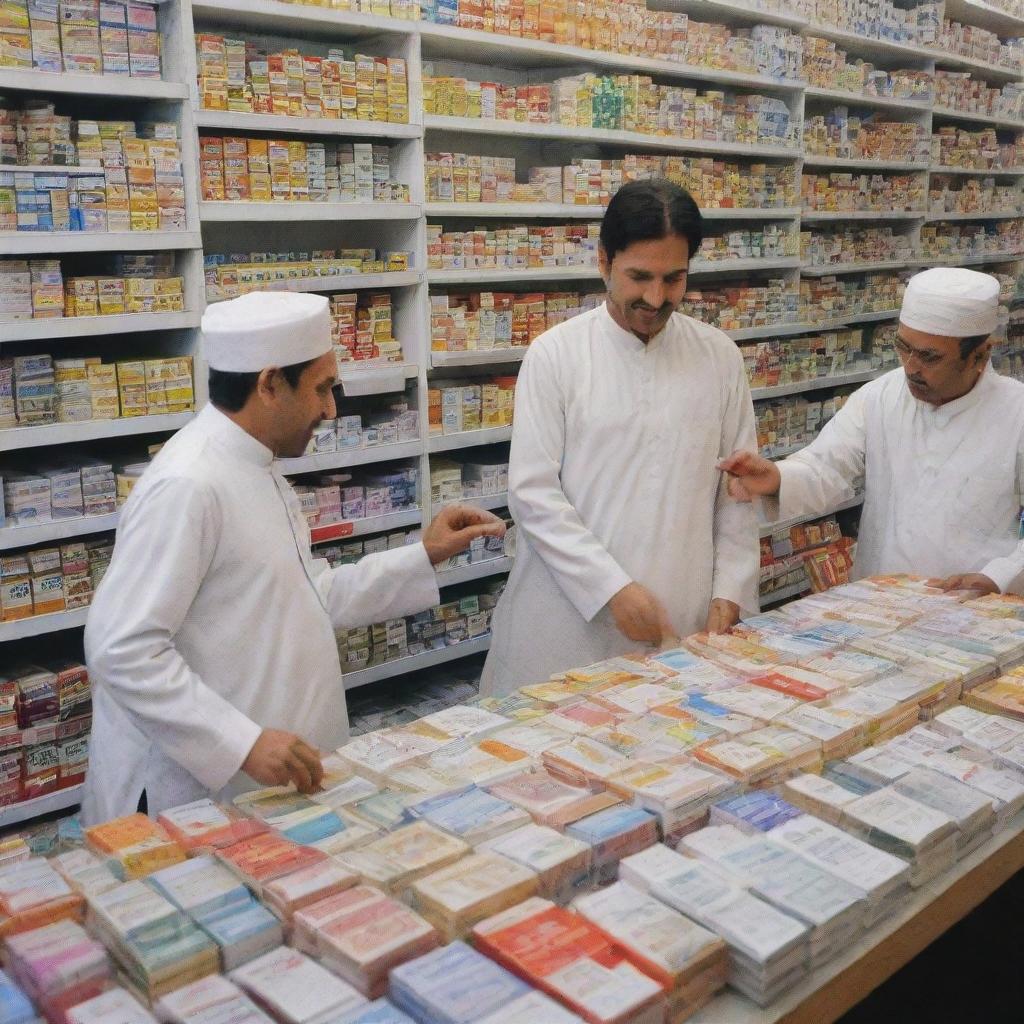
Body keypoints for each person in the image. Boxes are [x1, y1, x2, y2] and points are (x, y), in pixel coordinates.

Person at [82, 291, 504, 823]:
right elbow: (120, 647)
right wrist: (239, 743)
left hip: (263, 786)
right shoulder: (189, 483)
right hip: (193, 793)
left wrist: (423, 555)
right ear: (269, 384)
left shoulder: (258, 466)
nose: (331, 409)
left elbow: (308, 596)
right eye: (322, 388)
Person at [480, 179, 760, 697]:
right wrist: (610, 588)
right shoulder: (555, 355)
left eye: (674, 279)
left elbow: (738, 490)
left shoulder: (719, 357)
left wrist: (731, 590)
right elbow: (533, 493)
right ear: (604, 262)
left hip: (681, 618)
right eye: (639, 277)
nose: (656, 298)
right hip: (565, 626)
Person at [719, 266, 1024, 596]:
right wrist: (777, 478)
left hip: (977, 610)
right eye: (903, 347)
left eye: (928, 356)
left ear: (980, 354)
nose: (910, 366)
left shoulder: (1015, 413)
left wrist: (1000, 577)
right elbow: (826, 467)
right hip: (880, 605)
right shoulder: (880, 396)